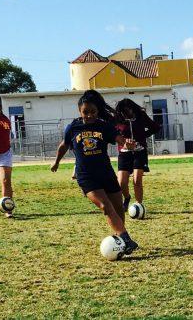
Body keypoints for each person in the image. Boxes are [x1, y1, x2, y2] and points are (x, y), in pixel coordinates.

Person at [51, 90, 139, 255]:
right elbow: (64, 145)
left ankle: (120, 239)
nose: (89, 115)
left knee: (118, 209)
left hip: (106, 173)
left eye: (93, 112)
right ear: (79, 111)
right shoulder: (73, 127)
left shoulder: (104, 126)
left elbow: (119, 139)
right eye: (85, 112)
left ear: (98, 111)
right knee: (105, 206)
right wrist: (56, 162)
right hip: (86, 176)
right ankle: (126, 239)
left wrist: (128, 143)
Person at [114, 98, 162, 212]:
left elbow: (155, 127)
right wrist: (124, 142)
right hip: (124, 153)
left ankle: (139, 205)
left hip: (139, 152)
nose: (127, 113)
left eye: (128, 110)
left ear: (132, 108)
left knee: (137, 179)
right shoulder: (117, 120)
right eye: (124, 112)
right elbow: (113, 135)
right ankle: (127, 197)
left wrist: (141, 137)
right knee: (121, 182)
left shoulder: (141, 116)